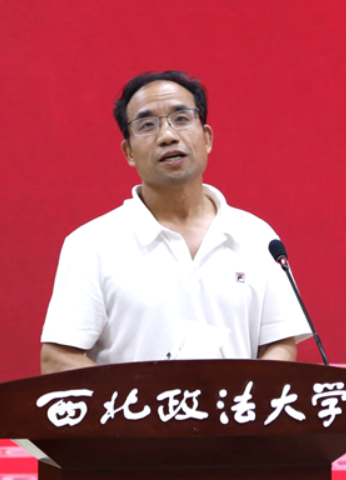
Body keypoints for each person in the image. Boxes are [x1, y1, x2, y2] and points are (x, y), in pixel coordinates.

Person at [40, 71, 310, 374]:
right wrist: (142, 400)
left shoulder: (257, 236)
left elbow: (279, 343)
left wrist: (247, 396)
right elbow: (57, 358)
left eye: (181, 119)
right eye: (147, 125)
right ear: (129, 152)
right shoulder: (92, 244)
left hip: (235, 406)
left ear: (206, 138)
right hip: (135, 406)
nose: (167, 136)